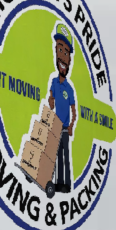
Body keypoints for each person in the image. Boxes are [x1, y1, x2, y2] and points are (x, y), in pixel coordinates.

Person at [48, 23, 77, 193]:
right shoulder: (53, 82)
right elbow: (51, 98)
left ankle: (66, 183)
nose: (62, 56)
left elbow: (74, 111)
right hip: (55, 127)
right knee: (56, 156)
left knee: (65, 157)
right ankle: (58, 183)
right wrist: (51, 100)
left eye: (66, 52)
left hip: (65, 129)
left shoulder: (69, 88)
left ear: (70, 59)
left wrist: (72, 125)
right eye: (60, 50)